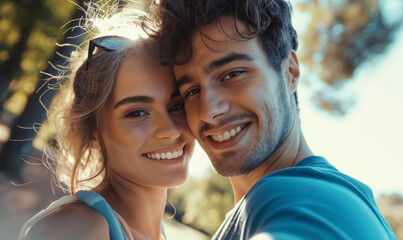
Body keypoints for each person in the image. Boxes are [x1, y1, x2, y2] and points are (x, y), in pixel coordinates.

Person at [147, 0, 397, 239]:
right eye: (191, 91)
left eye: (232, 74)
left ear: (290, 73)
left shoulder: (299, 198)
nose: (208, 111)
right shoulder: (340, 195)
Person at [18, 3, 194, 240]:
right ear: (92, 131)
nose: (171, 130)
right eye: (137, 113)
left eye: (176, 106)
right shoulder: (81, 228)